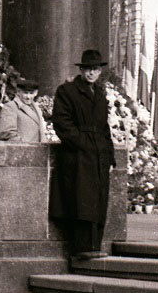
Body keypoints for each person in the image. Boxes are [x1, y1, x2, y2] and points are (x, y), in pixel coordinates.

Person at [49, 49, 115, 260]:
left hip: (98, 154)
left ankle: (95, 245)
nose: (91, 73)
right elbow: (61, 122)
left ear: (100, 71)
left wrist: (110, 156)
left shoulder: (100, 95)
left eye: (95, 69)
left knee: (97, 199)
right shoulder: (67, 91)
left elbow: (105, 128)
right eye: (87, 69)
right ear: (81, 70)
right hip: (78, 156)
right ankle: (81, 248)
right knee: (81, 200)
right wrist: (82, 143)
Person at [0, 78, 46, 143]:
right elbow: (7, 133)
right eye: (25, 93)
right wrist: (24, 146)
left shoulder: (36, 108)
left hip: (38, 148)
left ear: (36, 93)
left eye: (31, 93)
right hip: (22, 148)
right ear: (18, 92)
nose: (28, 97)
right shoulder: (11, 107)